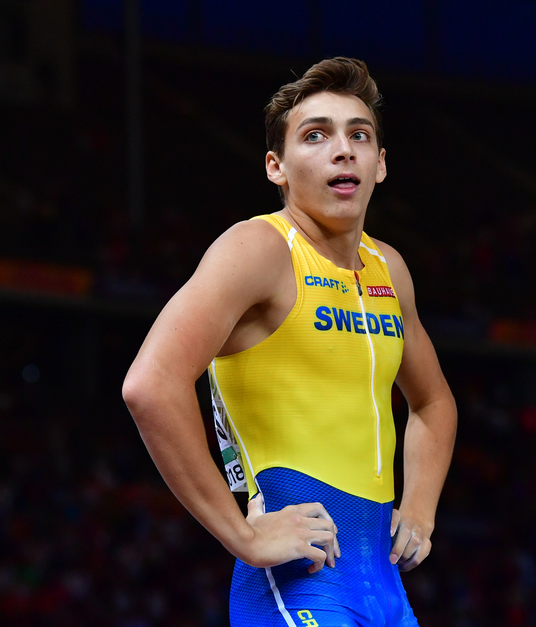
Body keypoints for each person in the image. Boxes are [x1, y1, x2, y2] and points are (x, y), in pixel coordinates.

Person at [122, 57, 457, 627]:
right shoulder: (259, 249)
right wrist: (242, 535)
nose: (343, 149)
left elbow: (433, 403)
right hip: (296, 584)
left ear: (379, 165)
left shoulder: (388, 270)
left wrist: (420, 508)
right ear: (276, 167)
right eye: (316, 135)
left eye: (359, 135)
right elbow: (150, 385)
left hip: (384, 589)